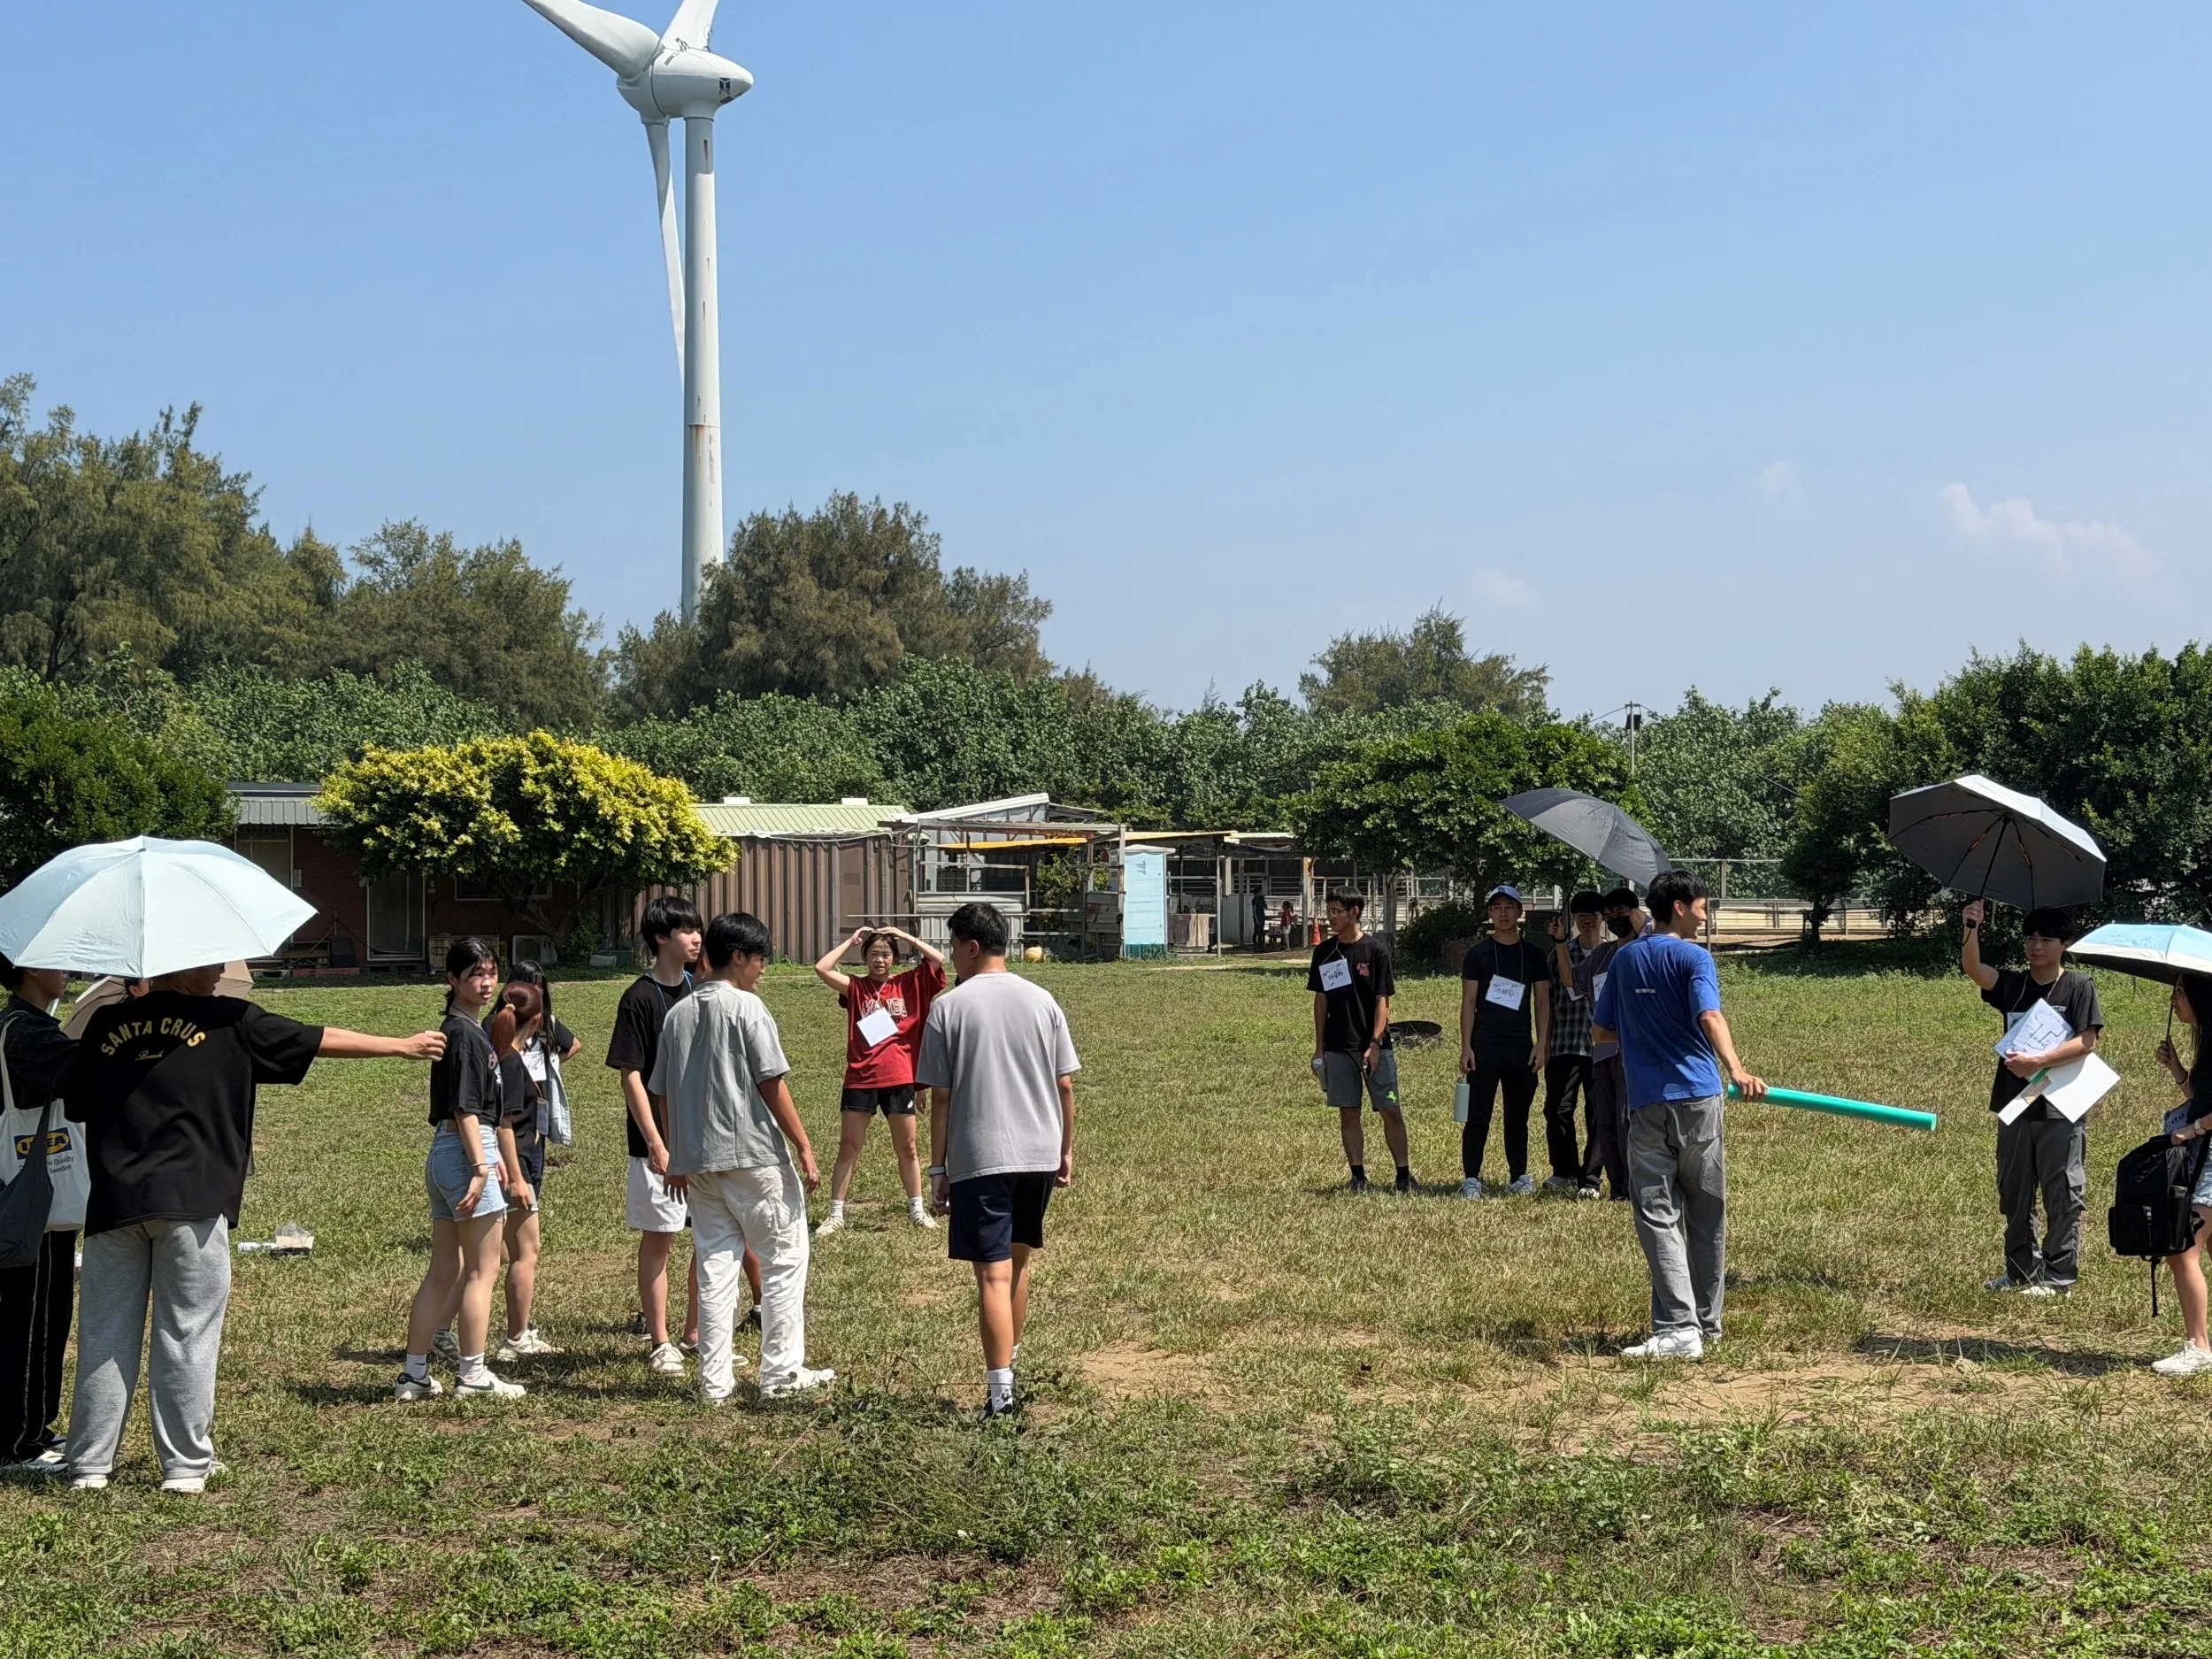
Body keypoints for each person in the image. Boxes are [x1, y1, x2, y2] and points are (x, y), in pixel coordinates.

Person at [67, 957, 443, 1489]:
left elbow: (80, 1101)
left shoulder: (105, 1024)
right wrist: (401, 1045)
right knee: (188, 1334)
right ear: (186, 957)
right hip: (194, 1203)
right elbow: (317, 1039)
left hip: (113, 1202)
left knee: (105, 1333)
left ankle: (89, 1466)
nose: (222, 969)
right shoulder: (231, 1020)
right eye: (213, 958)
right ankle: (185, 1468)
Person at [651, 912, 833, 1402]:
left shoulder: (678, 1014)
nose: (763, 970)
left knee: (715, 1265)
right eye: (759, 959)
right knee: (784, 1259)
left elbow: (663, 1092)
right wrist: (803, 1143)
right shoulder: (748, 1008)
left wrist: (676, 1152)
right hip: (755, 1156)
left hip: (700, 1161)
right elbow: (771, 1083)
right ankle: (781, 1373)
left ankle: (714, 1382)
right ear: (738, 956)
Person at [1592, 869, 1765, 1362]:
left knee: (1657, 1211)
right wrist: (1737, 1069)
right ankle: (1700, 1326)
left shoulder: (1624, 960)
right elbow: (1708, 1015)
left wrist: (1643, 1031)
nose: (1707, 914)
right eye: (1705, 906)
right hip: (1700, 1098)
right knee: (1706, 1211)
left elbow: (1602, 1033)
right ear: (1682, 906)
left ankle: (1680, 1328)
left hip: (1647, 1101)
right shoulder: (1695, 957)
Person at [920, 902, 1079, 1418]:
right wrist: (1065, 1149)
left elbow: (939, 1098)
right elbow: (1065, 1086)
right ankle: (1009, 1367)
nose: (953, 959)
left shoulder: (949, 1007)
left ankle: (1001, 1395)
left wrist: (938, 1166)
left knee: (991, 1275)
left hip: (982, 1155)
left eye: (953, 948)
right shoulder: (1042, 999)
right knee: (1019, 1265)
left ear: (971, 947)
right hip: (1038, 1152)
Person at [398, 938, 531, 1404]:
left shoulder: (463, 1030)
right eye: (475, 973)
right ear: (452, 979)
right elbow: (465, 1109)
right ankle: (473, 1374)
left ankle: (414, 1375)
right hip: (463, 1153)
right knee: (482, 1270)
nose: (486, 981)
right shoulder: (466, 1035)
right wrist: (481, 1165)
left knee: (444, 1269)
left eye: (491, 972)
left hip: (447, 1154)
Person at [607, 896, 729, 1381]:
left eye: (698, 930)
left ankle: (696, 1335)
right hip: (655, 1145)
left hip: (706, 1139)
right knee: (659, 1239)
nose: (696, 938)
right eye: (685, 930)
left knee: (708, 1239)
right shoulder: (639, 998)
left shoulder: (702, 991)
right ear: (661, 937)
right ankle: (661, 1341)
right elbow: (630, 1075)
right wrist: (656, 1142)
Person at [1959, 899, 2103, 1297]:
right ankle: (2021, 1270)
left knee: (2063, 1191)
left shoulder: (2078, 986)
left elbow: (2087, 1041)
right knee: (2015, 1190)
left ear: (2064, 944)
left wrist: (2039, 1059)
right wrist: (1972, 927)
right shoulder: (2016, 985)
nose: (2036, 946)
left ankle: (2059, 1277)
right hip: (2015, 1102)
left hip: (2060, 1105)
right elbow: (1974, 969)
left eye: (2046, 939)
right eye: (2030, 939)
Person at [810, 925, 947, 1236]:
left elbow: (938, 960)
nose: (880, 960)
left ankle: (916, 1209)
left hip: (899, 1076)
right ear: (865, 958)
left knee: (909, 1147)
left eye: (886, 954)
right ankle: (836, 1214)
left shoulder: (909, 983)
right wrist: (851, 940)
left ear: (895, 958)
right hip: (861, 1077)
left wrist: (907, 936)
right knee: (849, 1145)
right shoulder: (856, 988)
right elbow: (822, 968)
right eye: (873, 954)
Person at [0, 953, 81, 1475]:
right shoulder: (27, 1033)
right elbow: (87, 1076)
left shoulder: (14, 1025)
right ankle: (23, 1439)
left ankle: (30, 1428)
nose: (68, 969)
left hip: (18, 1188)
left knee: (30, 1311)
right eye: (57, 961)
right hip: (34, 1195)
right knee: (34, 1316)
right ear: (30, 970)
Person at [1306, 891, 1409, 1194]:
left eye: (1337, 911)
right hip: (1338, 1047)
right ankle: (1358, 1178)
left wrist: (1375, 1043)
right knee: (1348, 1112)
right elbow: (1321, 1000)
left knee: (1390, 1109)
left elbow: (1382, 1001)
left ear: (1354, 913)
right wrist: (1319, 1047)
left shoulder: (1375, 951)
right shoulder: (1324, 951)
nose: (1331, 916)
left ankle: (1403, 1176)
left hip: (1374, 1048)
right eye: (1329, 910)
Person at [1457, 885, 1552, 1198]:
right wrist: (1466, 1046)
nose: (1503, 913)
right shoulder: (1478, 954)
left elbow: (1542, 1002)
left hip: (1520, 1045)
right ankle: (1471, 1178)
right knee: (1477, 1114)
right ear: (1489, 913)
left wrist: (1541, 1044)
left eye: (1509, 907)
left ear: (1519, 912)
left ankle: (1519, 1175)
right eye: (1496, 907)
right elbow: (1468, 1001)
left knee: (1517, 1116)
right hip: (1484, 1044)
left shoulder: (1535, 954)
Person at [490, 981, 555, 1363]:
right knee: (526, 1252)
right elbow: (504, 1125)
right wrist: (518, 1179)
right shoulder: (512, 1063)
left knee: (491, 1256)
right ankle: (517, 1337)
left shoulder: (497, 1055)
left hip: (506, 1168)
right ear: (538, 1021)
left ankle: (444, 1330)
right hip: (517, 1169)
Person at [2151, 973, 2212, 1376]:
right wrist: (2178, 1069)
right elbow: (2201, 1097)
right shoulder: (2207, 1043)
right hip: (2205, 1153)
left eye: (2181, 994)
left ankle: (2198, 1347)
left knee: (2182, 1247)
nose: (2175, 1002)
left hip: (2209, 1157)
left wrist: (2195, 1129)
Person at [1572, 888, 1644, 1200]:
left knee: (1628, 1121)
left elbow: (1656, 935)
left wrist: (1639, 921)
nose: (1616, 918)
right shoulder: (1603, 955)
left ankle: (1635, 1185)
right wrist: (1561, 944)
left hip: (1634, 1053)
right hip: (1602, 1051)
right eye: (1610, 913)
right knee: (1606, 1123)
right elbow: (1573, 982)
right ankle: (1617, 1189)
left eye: (1622, 912)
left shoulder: (1647, 949)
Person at [1542, 893, 1604, 1197]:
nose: (1587, 919)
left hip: (1603, 1048)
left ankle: (1591, 1178)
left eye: (1593, 913)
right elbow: (1550, 1002)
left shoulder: (1614, 954)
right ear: (1574, 919)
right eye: (1580, 914)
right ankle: (1564, 1170)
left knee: (1599, 1113)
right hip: (1564, 1043)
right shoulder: (1559, 954)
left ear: (1603, 917)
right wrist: (1544, 1043)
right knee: (1557, 1110)